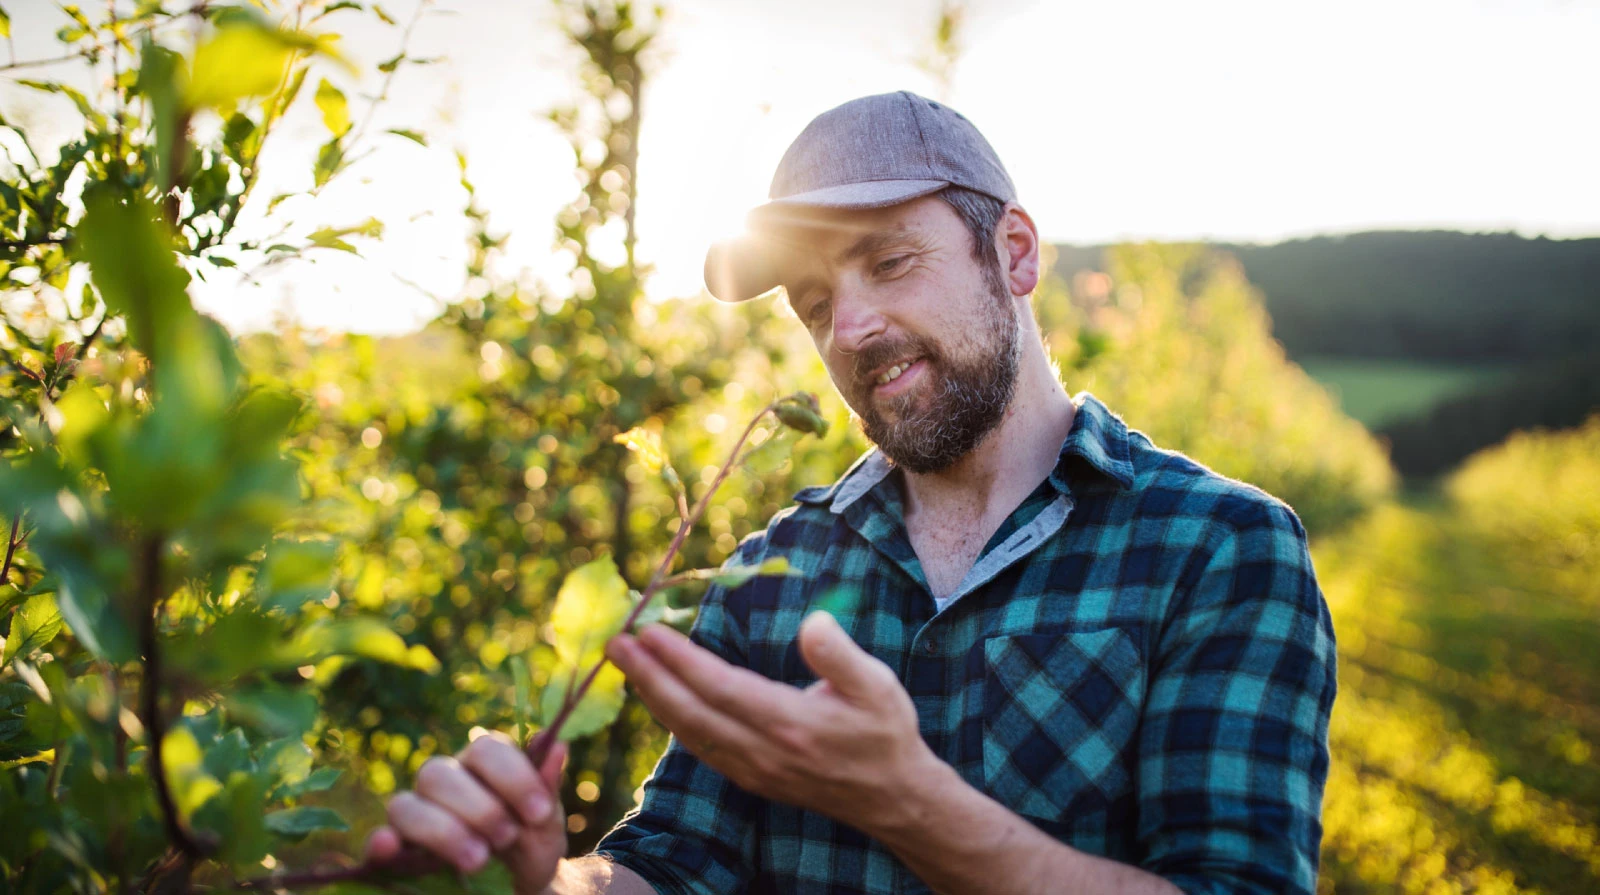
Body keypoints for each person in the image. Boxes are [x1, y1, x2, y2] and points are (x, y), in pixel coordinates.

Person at [365, 91, 1338, 895]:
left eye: (890, 260)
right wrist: (542, 882)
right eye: (816, 303)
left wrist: (905, 802)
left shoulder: (1218, 549)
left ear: (1016, 252)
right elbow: (672, 864)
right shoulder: (771, 574)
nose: (852, 329)